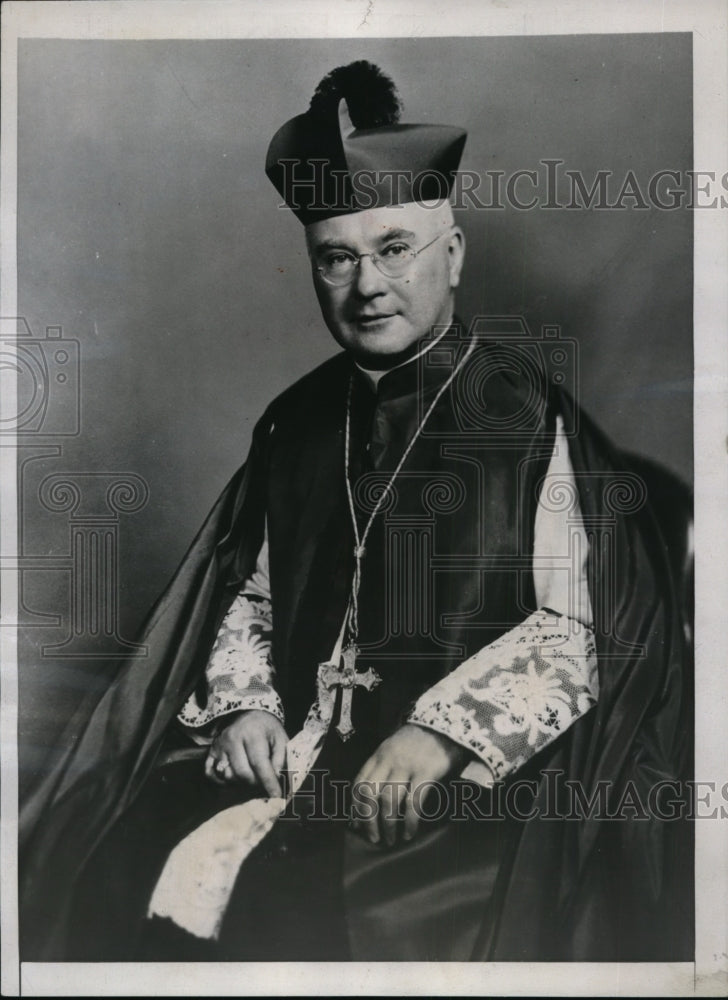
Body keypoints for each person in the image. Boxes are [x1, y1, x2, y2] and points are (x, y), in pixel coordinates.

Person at [19, 61, 693, 963]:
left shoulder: (526, 414)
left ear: (451, 255)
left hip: (472, 780)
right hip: (293, 760)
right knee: (112, 848)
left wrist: (441, 733)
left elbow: (581, 626)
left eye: (393, 249)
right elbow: (250, 594)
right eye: (336, 258)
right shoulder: (297, 422)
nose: (366, 284)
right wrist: (243, 709)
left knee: (390, 918)